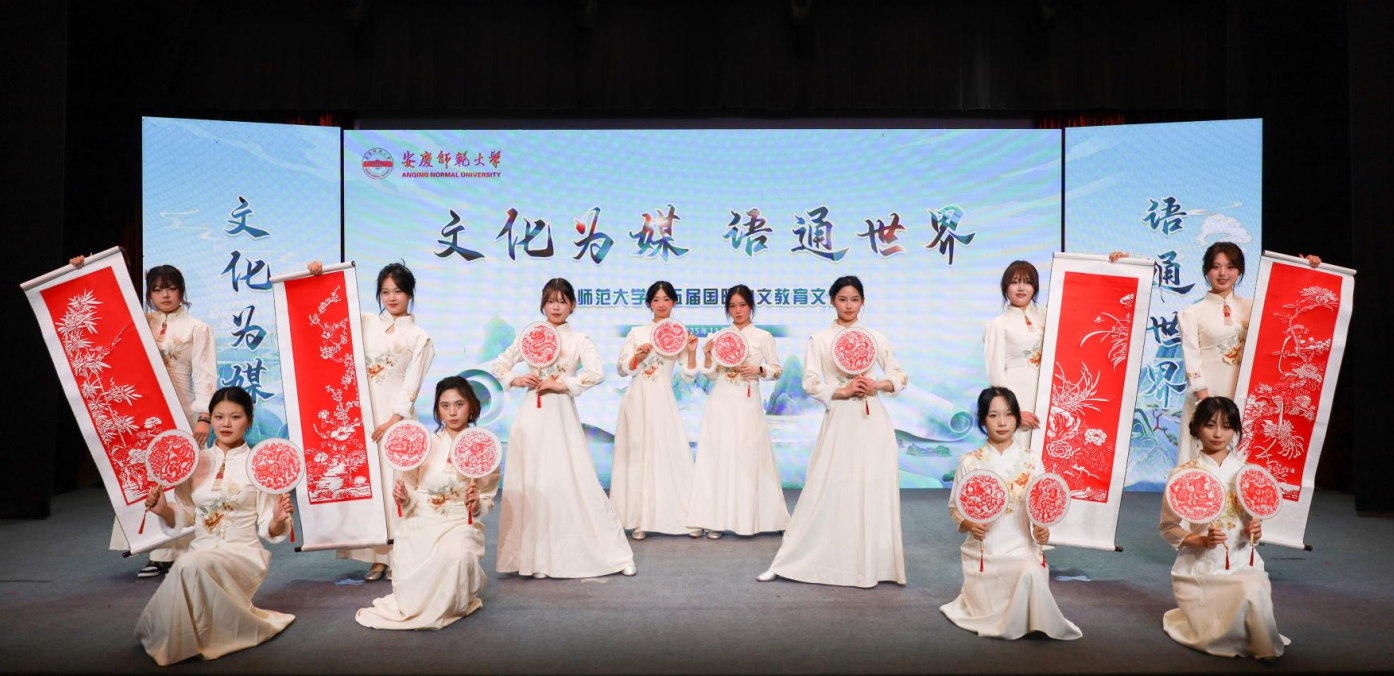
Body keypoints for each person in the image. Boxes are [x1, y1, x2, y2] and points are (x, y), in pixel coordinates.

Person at [758, 276, 908, 587]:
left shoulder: (875, 338)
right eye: (842, 299)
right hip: (840, 419)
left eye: (855, 299)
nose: (849, 306)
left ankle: (873, 565)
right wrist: (844, 390)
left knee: (872, 488)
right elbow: (810, 383)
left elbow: (899, 376)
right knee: (825, 487)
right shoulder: (820, 339)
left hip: (873, 422)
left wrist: (877, 384)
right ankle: (794, 560)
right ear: (831, 301)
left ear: (862, 302)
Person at [134, 387, 295, 665]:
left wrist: (279, 520)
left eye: (235, 417)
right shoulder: (194, 462)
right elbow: (185, 514)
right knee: (190, 562)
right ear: (211, 419)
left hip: (242, 553)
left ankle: (178, 643)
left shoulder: (260, 465)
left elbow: (269, 526)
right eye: (219, 417)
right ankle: (189, 636)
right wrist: (163, 510)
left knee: (187, 564)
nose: (226, 424)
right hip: (202, 548)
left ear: (249, 420)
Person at [71, 255, 209, 578]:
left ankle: (177, 552)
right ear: (149, 293)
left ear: (182, 291)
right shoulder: (138, 322)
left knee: (180, 480)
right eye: (158, 289)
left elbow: (206, 376)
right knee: (146, 475)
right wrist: (82, 269)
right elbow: (103, 310)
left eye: (171, 288)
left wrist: (204, 416)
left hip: (181, 409)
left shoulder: (197, 328)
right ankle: (153, 549)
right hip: (144, 410)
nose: (165, 295)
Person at [490, 278, 636, 579]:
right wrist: (516, 379)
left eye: (562, 301)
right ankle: (537, 558)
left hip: (561, 416)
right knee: (535, 484)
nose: (556, 307)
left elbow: (596, 373)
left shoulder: (579, 339)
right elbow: (500, 366)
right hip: (532, 415)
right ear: (543, 304)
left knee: (571, 479)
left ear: (572, 305)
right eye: (550, 301)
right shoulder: (530, 335)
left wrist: (563, 384)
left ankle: (610, 553)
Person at [308, 260, 435, 582]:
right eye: (385, 292)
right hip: (360, 412)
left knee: (396, 483)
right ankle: (376, 557)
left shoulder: (419, 336)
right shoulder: (364, 322)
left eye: (398, 291)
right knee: (368, 482)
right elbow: (325, 315)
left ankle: (398, 554)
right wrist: (317, 276)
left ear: (410, 294)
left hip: (395, 415)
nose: (392, 298)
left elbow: (414, 381)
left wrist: (395, 418)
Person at [356, 377, 499, 629]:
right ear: (437, 410)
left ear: (472, 407)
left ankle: (451, 602)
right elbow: (411, 490)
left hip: (459, 522)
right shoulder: (423, 444)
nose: (452, 412)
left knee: (458, 553)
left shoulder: (484, 448)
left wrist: (475, 504)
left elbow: (486, 497)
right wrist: (404, 496)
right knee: (413, 603)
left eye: (459, 404)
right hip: (421, 519)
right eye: (445, 406)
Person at [940, 387, 1082, 640]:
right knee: (1024, 575)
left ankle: (1032, 621)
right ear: (982, 419)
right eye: (993, 415)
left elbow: (1042, 506)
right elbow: (955, 509)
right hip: (984, 552)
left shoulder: (1032, 461)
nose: (1002, 422)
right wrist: (971, 525)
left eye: (1008, 414)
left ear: (1017, 417)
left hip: (1021, 547)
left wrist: (1042, 530)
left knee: (1029, 571)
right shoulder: (970, 462)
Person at [1160, 396, 1286, 658]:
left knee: (1251, 586)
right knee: (1233, 608)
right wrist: (1201, 541)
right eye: (1210, 425)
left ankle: (1259, 642)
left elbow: (1253, 522)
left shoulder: (1248, 473)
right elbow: (1168, 527)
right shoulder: (1184, 475)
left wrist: (1255, 531)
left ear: (1235, 430)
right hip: (1202, 565)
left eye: (1227, 427)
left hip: (1243, 561)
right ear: (1196, 428)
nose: (1218, 434)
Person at [1172, 245, 1320, 463]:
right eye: (1216, 267)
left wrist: (1306, 270)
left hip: (1245, 397)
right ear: (1206, 270)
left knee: (1242, 463)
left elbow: (1292, 308)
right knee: (1204, 465)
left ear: (1240, 270)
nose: (1223, 273)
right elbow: (1192, 361)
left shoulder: (1253, 308)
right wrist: (1209, 405)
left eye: (1230, 267)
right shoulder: (1192, 314)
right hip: (1207, 398)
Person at [686, 284, 790, 539]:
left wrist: (759, 370)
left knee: (748, 456)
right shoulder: (721, 336)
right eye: (732, 306)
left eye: (742, 305)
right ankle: (714, 520)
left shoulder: (763, 337)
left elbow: (777, 369)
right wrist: (707, 355)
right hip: (721, 400)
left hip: (747, 399)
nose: (738, 310)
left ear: (751, 306)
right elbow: (710, 375)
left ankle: (752, 517)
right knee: (718, 456)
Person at [611, 281, 702, 539]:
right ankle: (639, 519)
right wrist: (637, 357)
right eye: (656, 300)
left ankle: (687, 518)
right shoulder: (637, 332)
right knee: (638, 455)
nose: (661, 304)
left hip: (663, 398)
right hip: (637, 398)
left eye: (666, 299)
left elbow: (689, 376)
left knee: (671, 453)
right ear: (649, 303)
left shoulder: (679, 333)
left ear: (674, 302)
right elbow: (621, 369)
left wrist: (691, 351)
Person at [984, 261, 1045, 448]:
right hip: (1019, 397)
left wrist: (1115, 265)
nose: (1021, 288)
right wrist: (1013, 412)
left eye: (1028, 282)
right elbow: (996, 375)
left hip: (1048, 394)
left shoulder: (1048, 315)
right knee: (1022, 454)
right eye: (1015, 282)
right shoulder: (997, 325)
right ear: (1005, 287)